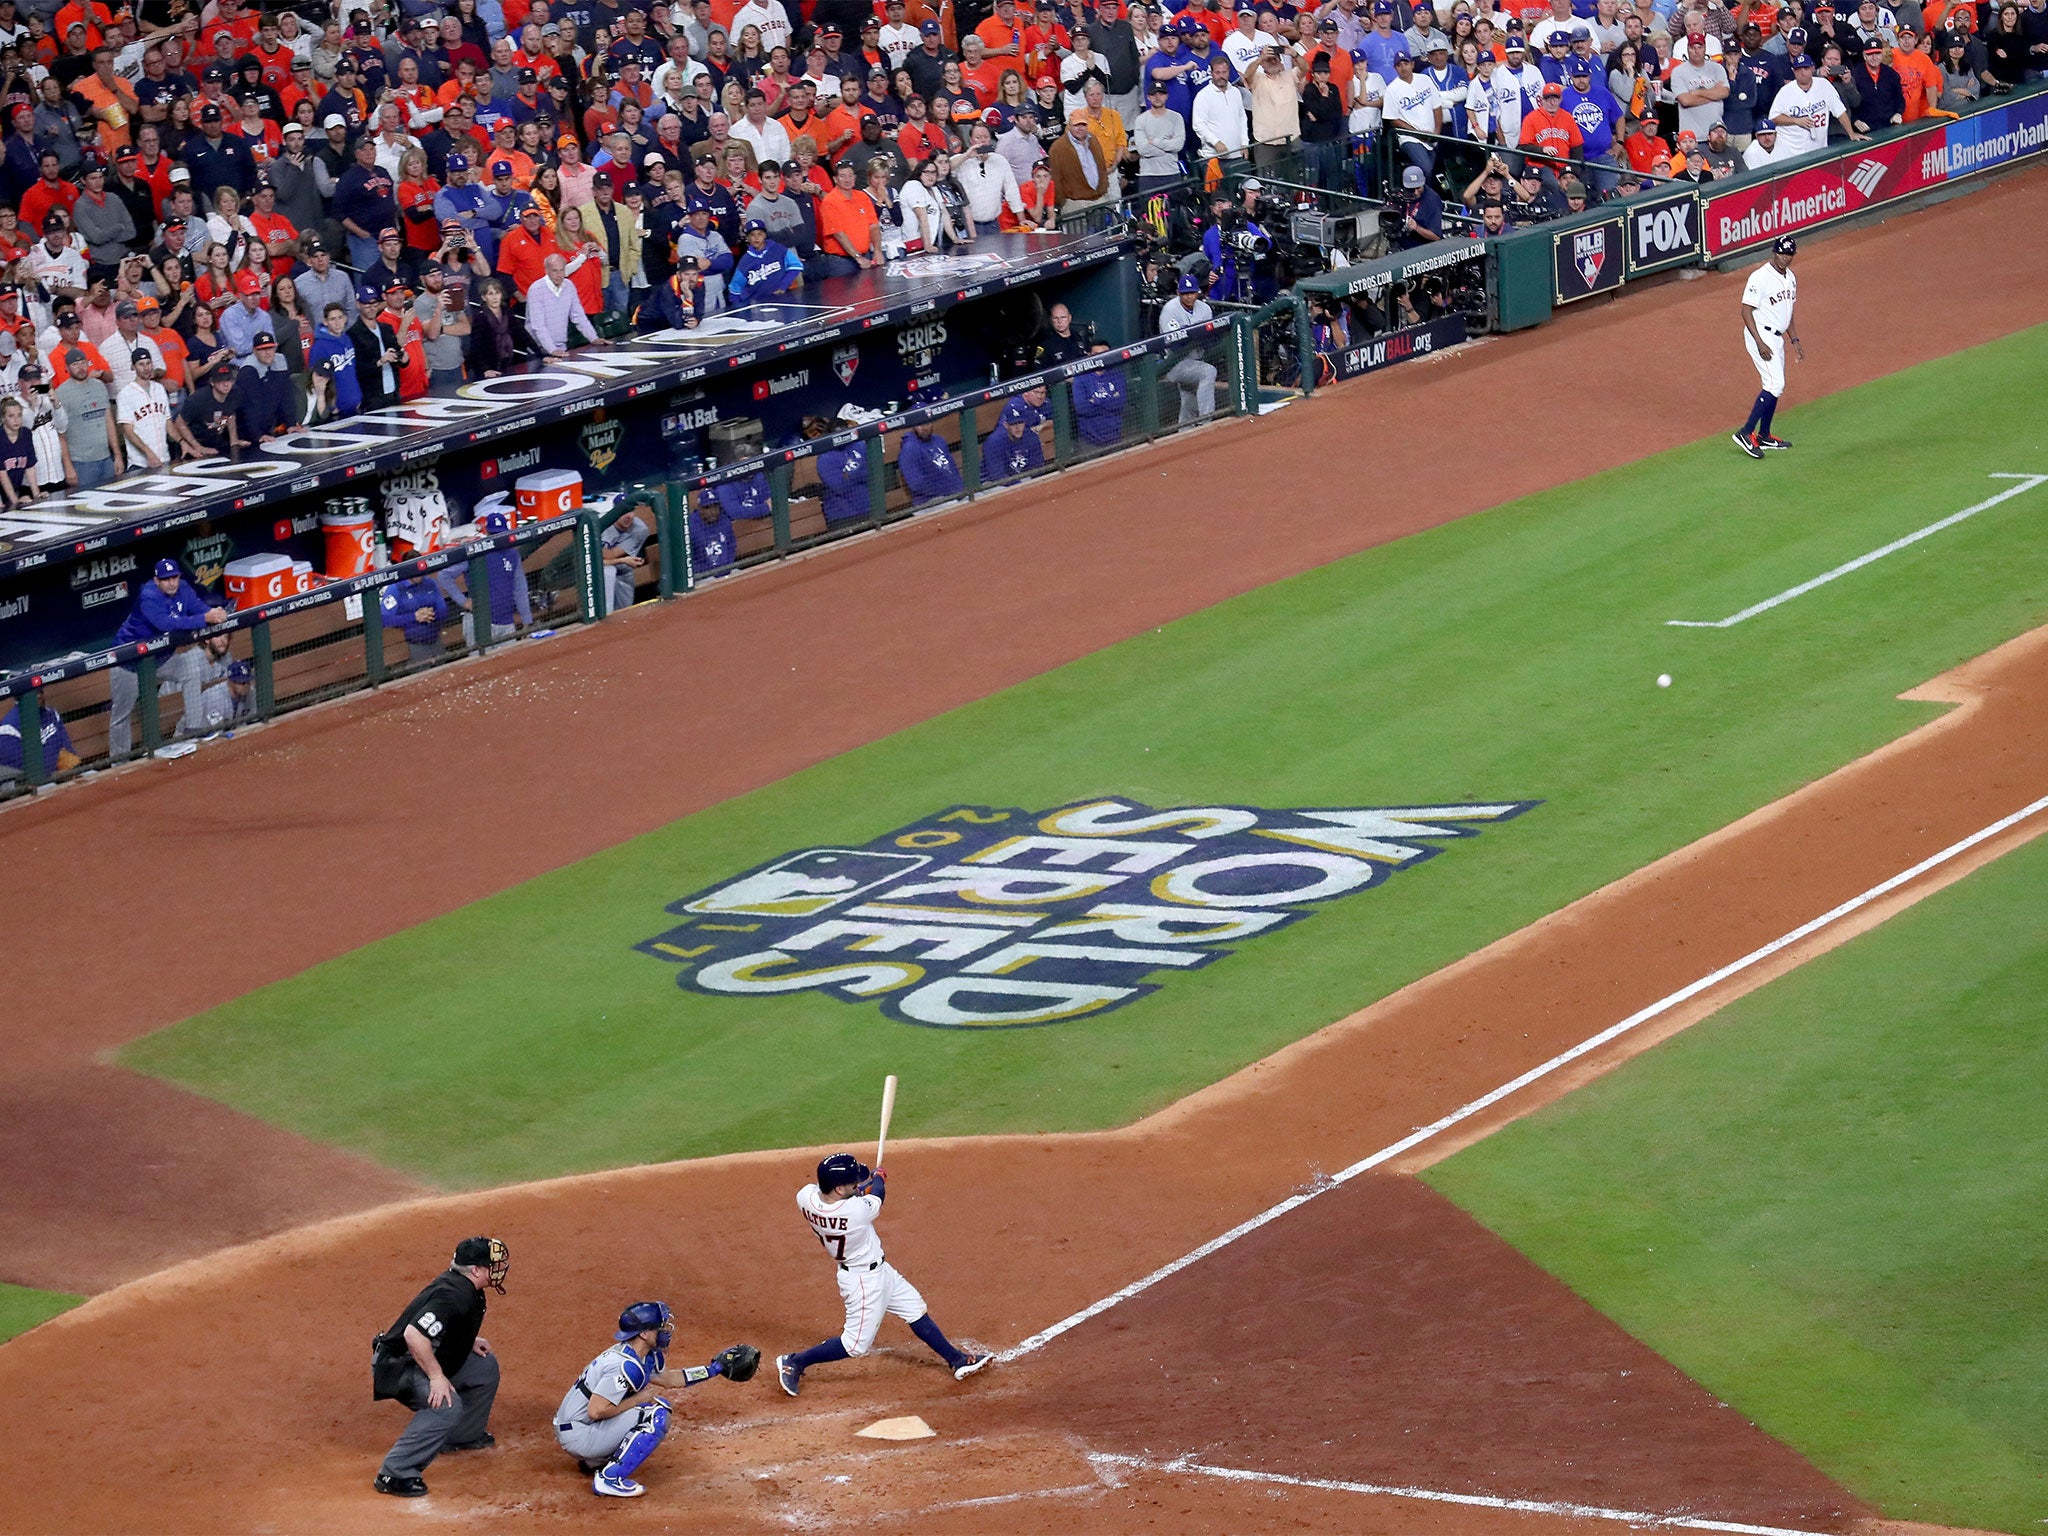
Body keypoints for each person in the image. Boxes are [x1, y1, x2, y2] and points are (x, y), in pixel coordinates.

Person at [774, 1154, 992, 1397]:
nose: (856, 1185)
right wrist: (878, 1178)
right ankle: (794, 1361)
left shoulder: (805, 1197)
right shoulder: (856, 1211)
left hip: (878, 1271)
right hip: (864, 1282)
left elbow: (849, 1197)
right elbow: (877, 1195)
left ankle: (957, 1360)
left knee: (914, 1309)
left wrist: (859, 1188)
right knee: (855, 1345)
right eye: (851, 1183)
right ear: (838, 1188)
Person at [554, 1302, 758, 1499]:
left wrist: (714, 1369)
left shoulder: (642, 1356)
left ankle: (594, 1461)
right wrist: (637, 1399)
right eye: (659, 1327)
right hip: (578, 1434)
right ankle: (609, 1478)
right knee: (655, 1415)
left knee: (645, 1407)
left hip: (581, 1426)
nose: (665, 1331)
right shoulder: (623, 1366)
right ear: (643, 1333)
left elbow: (671, 1379)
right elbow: (596, 1411)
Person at [369, 1236, 508, 1498]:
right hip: (399, 1365)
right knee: (446, 1406)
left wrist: (467, 1342)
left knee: (483, 1366)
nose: (499, 1269)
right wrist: (436, 1377)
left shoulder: (467, 1288)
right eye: (492, 1265)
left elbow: (440, 1327)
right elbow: (414, 1335)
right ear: (476, 1270)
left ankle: (461, 1436)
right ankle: (395, 1472)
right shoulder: (452, 1295)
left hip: (420, 1355)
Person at [108, 558, 227, 754]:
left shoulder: (184, 589)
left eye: (174, 577)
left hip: (160, 658)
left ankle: (194, 729)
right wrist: (205, 618)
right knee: (122, 714)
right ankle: (119, 763)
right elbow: (165, 624)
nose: (172, 582)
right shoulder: (148, 597)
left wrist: (214, 613)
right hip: (128, 661)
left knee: (190, 672)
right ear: (157, 581)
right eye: (166, 579)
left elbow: (199, 608)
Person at [1733, 233, 1798, 458]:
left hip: (1777, 337)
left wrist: (1794, 339)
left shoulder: (1791, 277)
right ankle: (1745, 432)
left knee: (1776, 385)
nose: (1785, 258)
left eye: (1789, 254)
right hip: (1761, 335)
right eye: (1782, 253)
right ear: (1774, 252)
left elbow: (1788, 312)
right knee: (1774, 383)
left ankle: (1764, 435)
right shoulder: (1760, 277)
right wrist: (1759, 342)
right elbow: (1745, 310)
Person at [1767, 51, 1865, 152]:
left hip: (1818, 147)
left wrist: (1851, 133)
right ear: (1793, 71)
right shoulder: (1785, 91)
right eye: (1798, 69)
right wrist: (1796, 120)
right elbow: (1773, 118)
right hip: (1791, 149)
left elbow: (1840, 111)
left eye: (1806, 68)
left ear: (1812, 68)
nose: (1802, 72)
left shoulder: (1823, 84)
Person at [54, 346, 120, 487]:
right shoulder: (61, 393)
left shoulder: (99, 386)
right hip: (81, 463)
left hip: (105, 458)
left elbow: (108, 421)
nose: (80, 367)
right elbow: (61, 434)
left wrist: (117, 455)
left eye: (83, 362)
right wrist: (68, 466)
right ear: (67, 368)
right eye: (75, 364)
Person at [1158, 272, 1216, 424]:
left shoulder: (1205, 309)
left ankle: (1184, 430)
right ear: (1178, 293)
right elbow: (1175, 344)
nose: (1189, 297)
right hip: (1174, 363)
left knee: (1188, 399)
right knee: (1208, 372)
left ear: (1198, 292)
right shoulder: (1170, 310)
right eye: (1185, 294)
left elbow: (1210, 338)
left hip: (1197, 359)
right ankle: (1206, 422)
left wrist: (1192, 334)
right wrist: (1196, 335)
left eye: (1192, 293)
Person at [527, 250, 600, 355]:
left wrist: (594, 338)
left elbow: (579, 316)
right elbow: (538, 326)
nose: (559, 275)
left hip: (561, 347)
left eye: (561, 270)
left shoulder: (569, 285)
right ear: (546, 270)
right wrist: (552, 350)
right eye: (555, 271)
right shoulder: (536, 289)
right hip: (538, 350)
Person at [379, 563, 455, 663]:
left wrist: (429, 614)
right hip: (411, 644)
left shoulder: (429, 582)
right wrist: (414, 617)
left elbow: (443, 609)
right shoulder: (396, 588)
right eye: (416, 572)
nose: (419, 575)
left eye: (421, 572)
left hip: (435, 639)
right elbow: (384, 619)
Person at [114, 345, 173, 469]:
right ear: (133, 367)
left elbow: (168, 422)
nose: (146, 368)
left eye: (148, 363)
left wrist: (182, 442)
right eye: (141, 364)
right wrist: (148, 453)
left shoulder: (159, 388)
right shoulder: (125, 393)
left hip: (164, 458)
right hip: (140, 463)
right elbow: (128, 431)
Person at [730, 217, 804, 303]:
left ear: (765, 235)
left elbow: (796, 266)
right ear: (747, 238)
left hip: (782, 298)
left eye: (760, 234)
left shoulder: (778, 249)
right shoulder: (745, 260)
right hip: (757, 303)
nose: (756, 238)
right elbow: (735, 287)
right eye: (752, 235)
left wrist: (783, 286)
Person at [601, 499, 656, 612]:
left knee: (624, 613)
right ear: (614, 512)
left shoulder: (639, 529)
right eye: (623, 512)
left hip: (624, 573)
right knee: (608, 571)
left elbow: (611, 555)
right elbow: (599, 561)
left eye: (631, 511)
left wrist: (621, 560)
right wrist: (623, 560)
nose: (628, 516)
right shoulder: (602, 526)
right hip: (600, 573)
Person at [897, 416, 962, 505]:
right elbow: (916, 484)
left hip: (952, 494)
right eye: (920, 425)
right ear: (913, 426)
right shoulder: (909, 449)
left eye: (927, 424)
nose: (924, 428)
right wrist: (947, 490)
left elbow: (952, 469)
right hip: (928, 501)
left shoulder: (939, 440)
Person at [979, 394, 1045, 483]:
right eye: (1013, 424)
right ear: (1006, 425)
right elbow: (997, 476)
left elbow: (1037, 467)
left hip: (1021, 479)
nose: (1018, 427)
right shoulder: (993, 442)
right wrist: (1019, 485)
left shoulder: (1031, 437)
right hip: (992, 484)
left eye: (1020, 422)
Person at [1073, 342, 1126, 446]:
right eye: (1096, 354)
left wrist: (1094, 401)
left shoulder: (1117, 375)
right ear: (1089, 355)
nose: (1100, 358)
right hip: (1088, 440)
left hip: (1115, 436)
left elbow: (1120, 403)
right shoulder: (1080, 378)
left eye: (1105, 354)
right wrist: (1110, 399)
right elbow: (1081, 408)